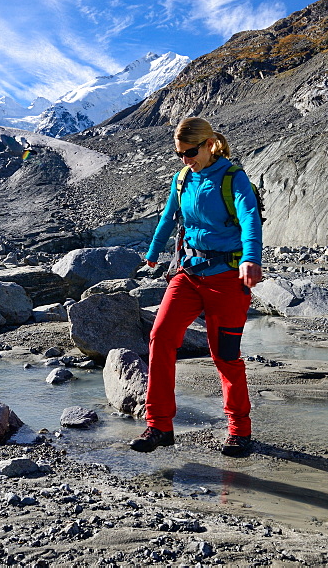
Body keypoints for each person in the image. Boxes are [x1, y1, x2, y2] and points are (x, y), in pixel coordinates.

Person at [129, 117, 263, 457]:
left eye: (190, 152)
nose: (185, 159)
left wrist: (251, 258)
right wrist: (152, 253)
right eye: (179, 154)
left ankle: (239, 431)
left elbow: (249, 218)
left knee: (225, 356)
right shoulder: (182, 178)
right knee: (160, 337)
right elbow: (168, 217)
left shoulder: (233, 178)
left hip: (227, 278)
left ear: (208, 145)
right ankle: (159, 425)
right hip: (188, 274)